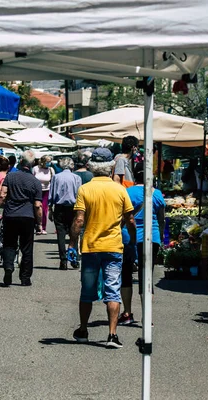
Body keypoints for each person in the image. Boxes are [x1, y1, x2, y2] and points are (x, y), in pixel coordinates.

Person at [68, 148, 137, 349]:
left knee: (87, 291)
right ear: (111, 167)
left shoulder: (85, 189)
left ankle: (83, 330)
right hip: (114, 247)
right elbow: (130, 219)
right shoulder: (120, 189)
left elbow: (79, 220)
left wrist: (72, 244)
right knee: (113, 291)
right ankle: (112, 335)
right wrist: (132, 239)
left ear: (91, 166)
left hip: (91, 247)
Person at [119, 162, 165, 325]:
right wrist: (161, 240)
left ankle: (127, 313)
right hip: (151, 238)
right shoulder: (157, 194)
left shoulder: (126, 192)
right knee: (147, 277)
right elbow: (161, 220)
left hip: (128, 238)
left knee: (126, 274)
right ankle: (147, 317)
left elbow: (121, 218)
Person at [0, 150, 42, 286]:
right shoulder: (35, 182)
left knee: (9, 244)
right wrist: (39, 223)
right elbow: (38, 205)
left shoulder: (10, 177)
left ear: (20, 161)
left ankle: (8, 267)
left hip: (10, 215)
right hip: (28, 217)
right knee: (27, 248)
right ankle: (25, 278)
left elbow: (2, 195)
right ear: (33, 164)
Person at [48, 157, 82, 270]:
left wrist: (50, 210)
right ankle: (73, 259)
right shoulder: (77, 178)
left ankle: (63, 260)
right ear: (72, 165)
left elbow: (51, 195)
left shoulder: (56, 177)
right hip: (73, 207)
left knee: (60, 234)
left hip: (59, 207)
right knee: (74, 234)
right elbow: (79, 194)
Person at [32, 155, 55, 235]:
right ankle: (37, 226)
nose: (49, 163)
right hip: (36, 191)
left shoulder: (51, 170)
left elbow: (53, 181)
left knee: (44, 209)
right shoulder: (35, 169)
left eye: (50, 162)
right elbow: (32, 179)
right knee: (36, 208)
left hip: (46, 191)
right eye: (47, 162)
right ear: (42, 162)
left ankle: (43, 227)